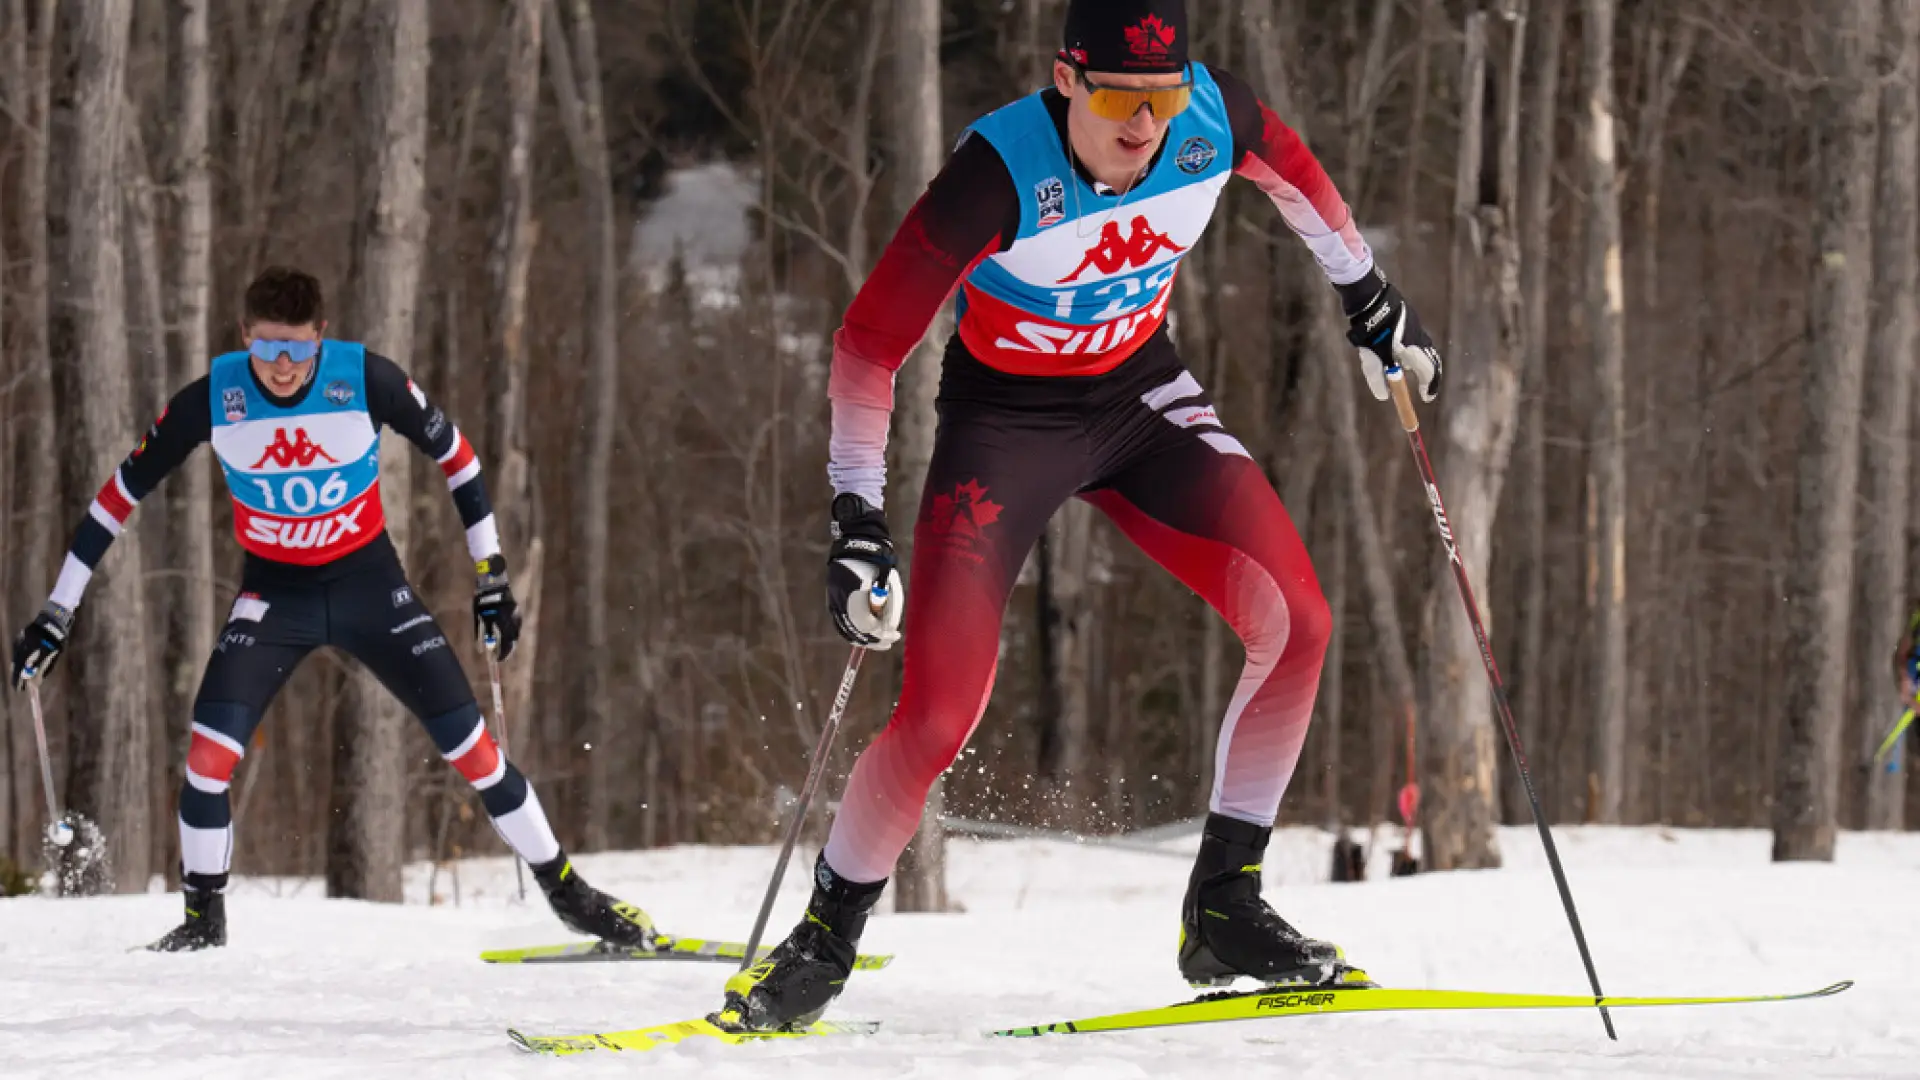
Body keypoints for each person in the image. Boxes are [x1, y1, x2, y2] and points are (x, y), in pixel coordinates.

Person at [716, 0, 1445, 1032]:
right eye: (1115, 98)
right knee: (936, 712)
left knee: (1300, 622)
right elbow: (869, 344)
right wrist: (854, 514)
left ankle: (1225, 907)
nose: (1143, 126)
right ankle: (826, 939)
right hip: (1006, 422)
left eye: (1161, 98)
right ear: (1065, 80)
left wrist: (1367, 294)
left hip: (1139, 399)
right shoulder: (996, 174)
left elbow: (1299, 180)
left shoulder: (1211, 118)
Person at [8, 267, 656, 952]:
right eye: (265, 350)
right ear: (243, 339)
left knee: (475, 752)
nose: (282, 367)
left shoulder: (365, 379)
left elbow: (458, 460)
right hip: (273, 598)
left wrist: (491, 575)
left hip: (370, 590)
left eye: (297, 350)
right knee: (205, 760)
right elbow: (116, 497)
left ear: (323, 337)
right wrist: (58, 612)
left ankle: (569, 892)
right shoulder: (214, 398)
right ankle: (204, 922)